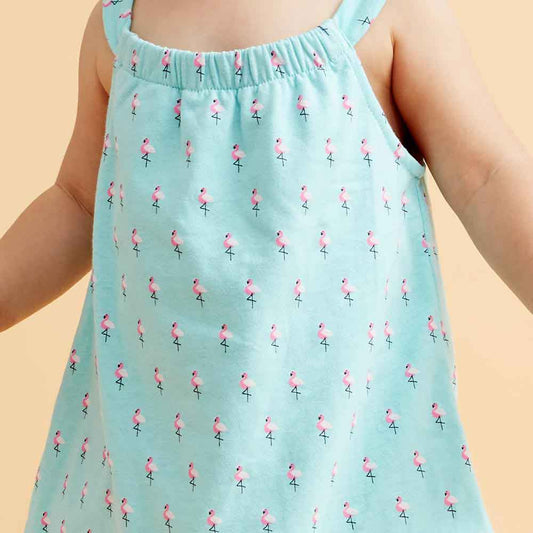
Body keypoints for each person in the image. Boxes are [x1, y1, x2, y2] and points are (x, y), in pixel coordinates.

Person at [2, 0, 531, 531]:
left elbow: (485, 176)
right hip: (151, 478)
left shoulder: (386, 15)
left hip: (344, 473)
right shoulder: (119, 30)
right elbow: (79, 199)